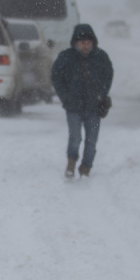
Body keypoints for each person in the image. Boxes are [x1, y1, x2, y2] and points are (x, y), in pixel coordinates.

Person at [50, 23, 113, 179]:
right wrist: (65, 97)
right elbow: (56, 77)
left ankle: (86, 168)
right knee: (75, 137)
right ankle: (71, 164)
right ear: (75, 42)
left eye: (88, 42)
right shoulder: (66, 57)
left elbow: (108, 75)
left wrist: (102, 94)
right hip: (73, 107)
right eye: (82, 42)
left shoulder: (101, 57)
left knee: (92, 140)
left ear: (93, 42)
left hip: (94, 107)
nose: (85, 45)